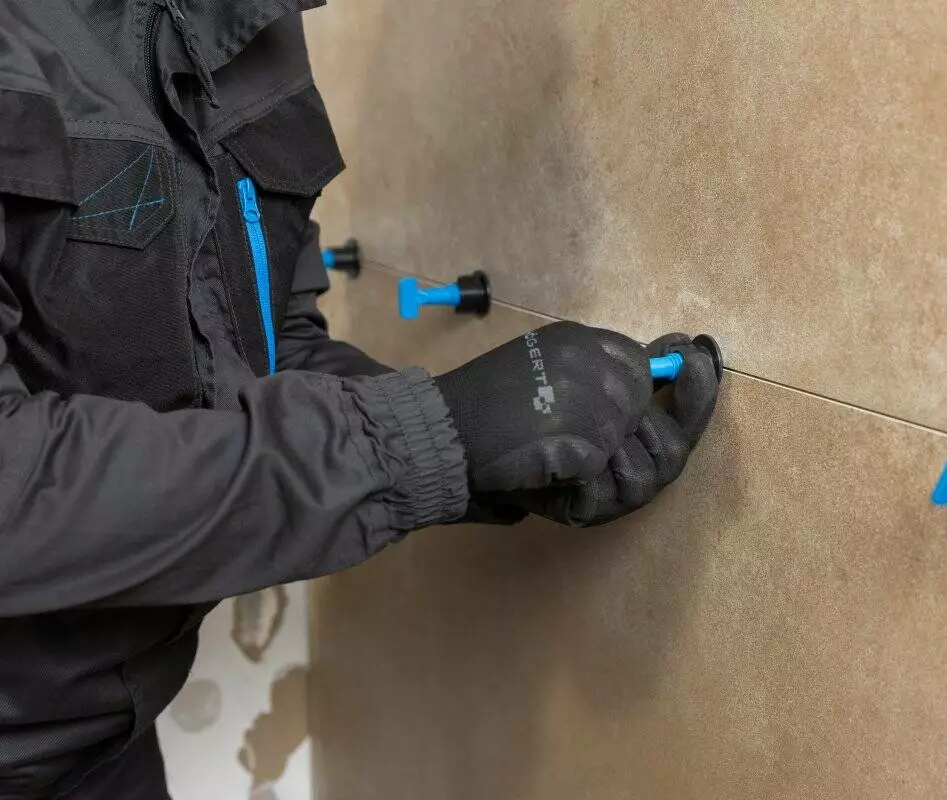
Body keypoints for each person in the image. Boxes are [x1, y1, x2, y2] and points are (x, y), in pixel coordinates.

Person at [0, 1, 720, 797]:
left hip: (107, 744)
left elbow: (268, 347)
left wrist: (487, 459)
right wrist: (426, 442)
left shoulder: (253, 22)